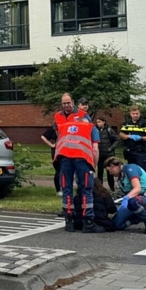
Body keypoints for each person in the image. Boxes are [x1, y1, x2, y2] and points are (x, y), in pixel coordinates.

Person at [54, 93, 102, 233]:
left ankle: (76, 221)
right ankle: (83, 221)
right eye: (64, 103)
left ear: (73, 102)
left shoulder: (82, 115)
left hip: (70, 157)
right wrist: (94, 164)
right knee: (83, 189)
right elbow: (94, 146)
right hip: (77, 157)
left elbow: (60, 136)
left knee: (73, 189)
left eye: (68, 103)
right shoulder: (59, 116)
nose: (66, 106)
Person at [105, 157, 146, 234]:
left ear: (112, 166)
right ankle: (138, 218)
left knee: (133, 202)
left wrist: (126, 198)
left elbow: (137, 188)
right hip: (133, 203)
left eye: (109, 170)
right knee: (114, 225)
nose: (110, 173)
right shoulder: (121, 178)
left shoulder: (131, 169)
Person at [119, 106, 146, 173]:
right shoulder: (127, 123)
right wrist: (129, 136)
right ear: (130, 114)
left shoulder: (145, 123)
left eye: (137, 113)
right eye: (133, 113)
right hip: (130, 151)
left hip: (141, 151)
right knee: (132, 171)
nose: (135, 115)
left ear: (140, 114)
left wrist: (141, 138)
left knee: (142, 171)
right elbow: (121, 135)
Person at [95, 117, 119, 190]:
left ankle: (112, 187)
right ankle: (100, 188)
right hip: (100, 154)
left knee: (110, 172)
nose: (98, 123)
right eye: (97, 122)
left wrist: (111, 148)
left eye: (99, 122)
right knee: (100, 172)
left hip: (108, 154)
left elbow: (117, 139)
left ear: (104, 122)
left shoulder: (109, 130)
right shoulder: (95, 130)